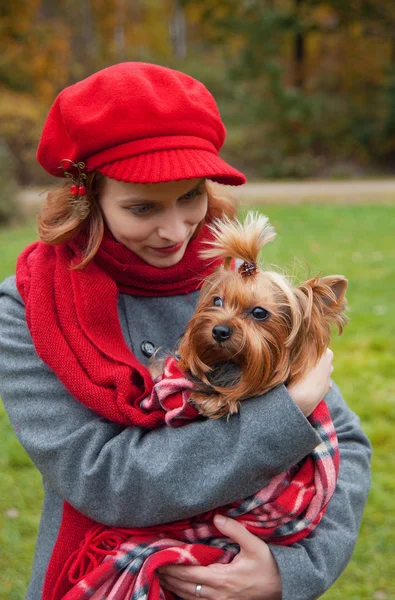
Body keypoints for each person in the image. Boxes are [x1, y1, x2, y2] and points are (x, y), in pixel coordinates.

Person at [0, 62, 371, 600]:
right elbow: (102, 478)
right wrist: (284, 413)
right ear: (87, 195)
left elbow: (346, 444)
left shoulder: (237, 282)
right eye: (141, 208)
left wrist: (290, 572)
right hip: (96, 573)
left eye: (191, 197)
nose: (175, 231)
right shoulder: (30, 306)